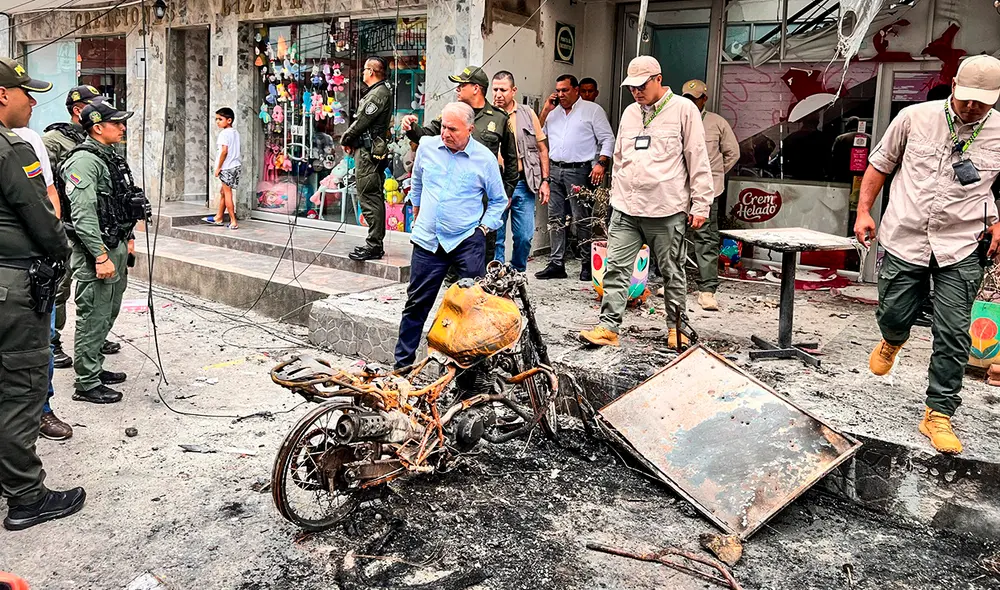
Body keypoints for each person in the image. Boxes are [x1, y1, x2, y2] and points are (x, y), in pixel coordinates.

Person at [855, 54, 1000, 455]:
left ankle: (938, 413)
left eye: (982, 101)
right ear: (953, 84)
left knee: (953, 331)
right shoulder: (914, 118)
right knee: (894, 312)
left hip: (962, 243)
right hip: (906, 234)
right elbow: (879, 166)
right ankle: (892, 338)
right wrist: (864, 211)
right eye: (967, 96)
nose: (972, 107)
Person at [0, 56, 86, 531]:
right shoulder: (10, 149)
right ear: (2, 96)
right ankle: (27, 497)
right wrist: (60, 251)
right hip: (11, 285)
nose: (33, 101)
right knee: (21, 390)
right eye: (25, 92)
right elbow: (44, 222)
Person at [578, 56, 714, 350]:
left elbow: (698, 159)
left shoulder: (683, 110)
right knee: (615, 269)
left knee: (672, 271)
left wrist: (701, 204)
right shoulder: (629, 112)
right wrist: (614, 198)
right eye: (631, 87)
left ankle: (677, 328)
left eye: (641, 86)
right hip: (627, 208)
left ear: (658, 79)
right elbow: (620, 158)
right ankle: (608, 327)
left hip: (665, 209)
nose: (636, 92)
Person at [393, 103, 507, 368]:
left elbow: (499, 201)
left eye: (452, 129)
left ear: (470, 129)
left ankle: (469, 376)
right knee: (416, 305)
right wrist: (418, 210)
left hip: (466, 240)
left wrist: (483, 230)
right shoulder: (427, 147)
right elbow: (418, 180)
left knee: (471, 310)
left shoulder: (485, 159)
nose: (445, 133)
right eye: (443, 126)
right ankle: (402, 368)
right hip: (428, 240)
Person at [60, 100, 143, 405]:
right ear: (97, 127)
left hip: (115, 245)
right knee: (93, 315)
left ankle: (93, 367)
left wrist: (128, 237)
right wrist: (99, 255)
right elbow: (83, 214)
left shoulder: (109, 157)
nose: (122, 128)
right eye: (117, 123)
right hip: (97, 252)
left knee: (107, 311)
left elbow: (120, 201)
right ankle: (86, 382)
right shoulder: (84, 161)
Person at [402, 65, 518, 270]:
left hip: (482, 201)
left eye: (461, 85)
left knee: (480, 259)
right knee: (447, 261)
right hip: (453, 198)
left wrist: (507, 192)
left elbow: (511, 159)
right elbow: (426, 136)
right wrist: (411, 128)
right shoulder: (451, 114)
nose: (457, 89)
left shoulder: (498, 118)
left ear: (476, 88)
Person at [13, 126, 73, 440]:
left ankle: (42, 411)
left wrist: (52, 244)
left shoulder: (29, 138)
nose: (33, 101)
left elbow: (49, 192)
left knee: (42, 344)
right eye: (25, 92)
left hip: (32, 265)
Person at [42, 85, 105, 370]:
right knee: (59, 287)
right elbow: (44, 187)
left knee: (94, 286)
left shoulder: (94, 137)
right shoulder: (53, 141)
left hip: (92, 226)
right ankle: (50, 342)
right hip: (66, 226)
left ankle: (94, 339)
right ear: (79, 110)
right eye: (95, 105)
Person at [536, 74, 615, 281]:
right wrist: (545, 109)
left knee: (582, 220)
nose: (561, 94)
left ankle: (587, 264)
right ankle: (556, 263)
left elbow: (608, 139)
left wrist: (601, 164)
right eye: (558, 90)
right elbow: (536, 133)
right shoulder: (552, 113)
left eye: (565, 90)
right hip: (554, 169)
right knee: (555, 218)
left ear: (576, 90)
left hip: (579, 171)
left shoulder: (592, 111)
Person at [681, 79, 739, 311]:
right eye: (687, 99)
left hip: (707, 192)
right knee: (675, 238)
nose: (691, 103)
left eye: (695, 99)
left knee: (705, 239)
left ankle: (707, 290)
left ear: (704, 99)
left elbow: (732, 154)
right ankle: (676, 283)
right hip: (679, 190)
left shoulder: (717, 123)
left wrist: (713, 175)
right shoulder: (677, 118)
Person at [490, 71, 550, 272]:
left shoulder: (527, 114)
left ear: (513, 91)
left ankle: (516, 273)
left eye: (503, 90)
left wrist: (545, 181)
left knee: (524, 236)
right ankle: (496, 278)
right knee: (495, 236)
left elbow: (542, 148)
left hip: (523, 183)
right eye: (495, 89)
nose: (498, 94)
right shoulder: (487, 115)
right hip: (495, 185)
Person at [343, 57, 393, 261]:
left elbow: (362, 121)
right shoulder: (379, 91)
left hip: (368, 153)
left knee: (369, 195)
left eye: (364, 69)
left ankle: (374, 244)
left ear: (371, 71)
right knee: (371, 194)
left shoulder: (378, 94)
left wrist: (346, 138)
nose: (362, 73)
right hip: (367, 149)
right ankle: (374, 242)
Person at [204, 107, 241, 229]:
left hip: (226, 167)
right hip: (235, 166)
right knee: (223, 192)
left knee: (227, 193)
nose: (217, 122)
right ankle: (218, 217)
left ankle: (233, 221)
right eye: (216, 119)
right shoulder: (235, 133)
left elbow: (224, 151)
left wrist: (218, 167)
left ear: (229, 120)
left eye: (220, 119)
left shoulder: (224, 134)